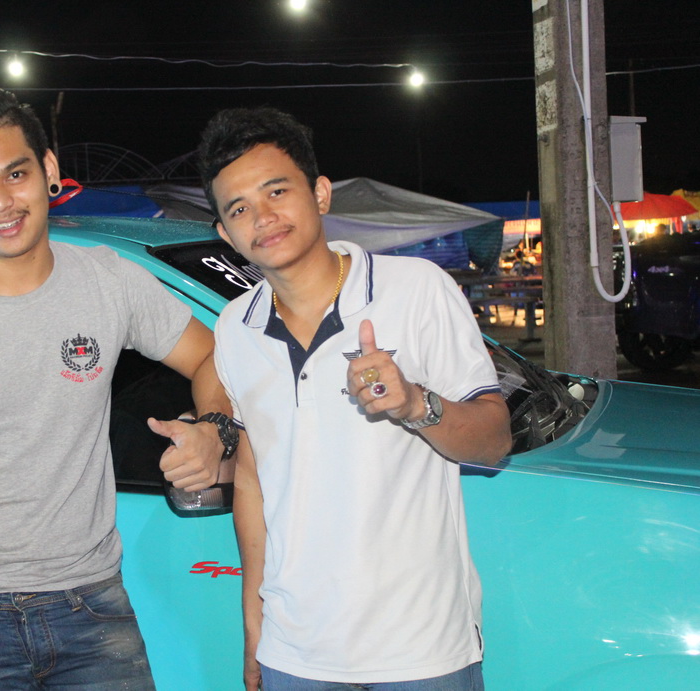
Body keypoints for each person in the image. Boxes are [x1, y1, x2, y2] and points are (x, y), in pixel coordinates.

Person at [0, 89, 236, 690]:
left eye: (15, 174)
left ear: (50, 171)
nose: (0, 203)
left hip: (94, 605)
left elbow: (215, 356)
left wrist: (214, 429)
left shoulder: (109, 281)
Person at [196, 107, 512, 691]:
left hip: (420, 651)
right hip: (295, 653)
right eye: (238, 209)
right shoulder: (235, 327)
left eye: (276, 191)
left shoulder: (417, 290)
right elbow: (253, 478)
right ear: (225, 234)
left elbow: (494, 442)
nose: (262, 217)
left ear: (319, 194)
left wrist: (415, 405)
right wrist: (254, 620)